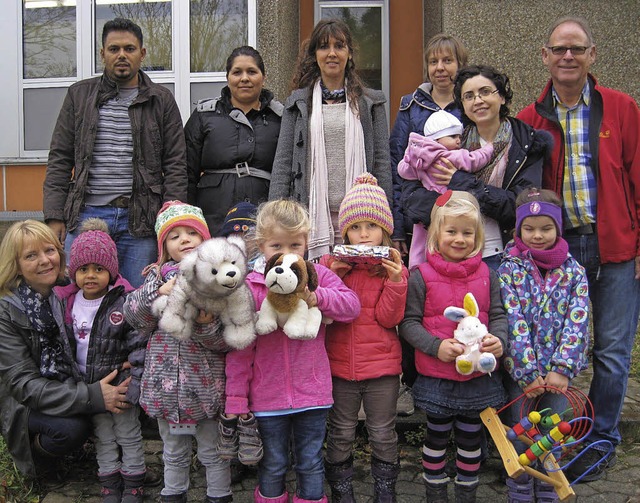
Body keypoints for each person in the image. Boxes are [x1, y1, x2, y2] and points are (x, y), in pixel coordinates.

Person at [516, 15, 640, 482]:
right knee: (549, 348)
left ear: (592, 56)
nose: (568, 56)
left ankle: (603, 437)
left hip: (616, 248)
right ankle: (545, 437)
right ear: (545, 57)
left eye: (577, 48)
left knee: (611, 351)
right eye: (559, 49)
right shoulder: (530, 120)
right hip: (557, 256)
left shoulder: (622, 109)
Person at [224, 199, 361, 503]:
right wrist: (236, 397)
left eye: (295, 245)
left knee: (310, 462)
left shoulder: (317, 277)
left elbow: (352, 306)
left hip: (312, 395)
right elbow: (240, 347)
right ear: (260, 244)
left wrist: (317, 297)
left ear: (307, 242)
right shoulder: (250, 286)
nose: (286, 253)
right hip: (267, 398)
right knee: (273, 464)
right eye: (276, 245)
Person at [43, 17, 188, 288]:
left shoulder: (161, 100)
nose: (122, 55)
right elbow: (60, 158)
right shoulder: (79, 96)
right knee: (79, 298)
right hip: (86, 215)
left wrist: (173, 221)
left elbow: (176, 162)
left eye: (129, 49)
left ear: (142, 53)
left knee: (137, 301)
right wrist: (54, 216)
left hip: (142, 220)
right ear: (103, 54)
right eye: (114, 49)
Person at [0, 220, 131, 485]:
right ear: (16, 264)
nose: (45, 261)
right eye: (31, 255)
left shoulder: (69, 291)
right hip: (24, 402)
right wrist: (92, 395)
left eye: (49, 250)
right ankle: (40, 463)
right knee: (71, 428)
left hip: (67, 383)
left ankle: (128, 464)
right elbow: (22, 384)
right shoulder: (7, 311)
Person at [399, 191, 507, 502]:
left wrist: (499, 341)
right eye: (451, 231)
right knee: (435, 437)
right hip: (437, 379)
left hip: (476, 379)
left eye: (467, 233)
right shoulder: (421, 277)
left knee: (471, 439)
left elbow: (498, 315)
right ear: (435, 234)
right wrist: (435, 346)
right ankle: (435, 492)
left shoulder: (489, 275)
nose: (459, 239)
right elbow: (408, 323)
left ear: (478, 237)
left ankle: (466, 494)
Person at [123, 201, 232, 503]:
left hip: (206, 390)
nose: (184, 239)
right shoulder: (156, 279)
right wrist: (156, 291)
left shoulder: (219, 282)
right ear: (163, 248)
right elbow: (134, 318)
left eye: (191, 233)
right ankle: (173, 495)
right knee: (172, 452)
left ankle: (220, 496)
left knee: (213, 452)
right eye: (175, 236)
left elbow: (226, 340)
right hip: (164, 389)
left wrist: (206, 325)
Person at [402, 64, 550, 271]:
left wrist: (462, 183)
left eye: (485, 92)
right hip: (449, 254)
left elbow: (522, 205)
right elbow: (411, 199)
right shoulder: (447, 142)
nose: (478, 100)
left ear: (502, 97)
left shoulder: (526, 143)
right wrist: (446, 208)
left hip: (501, 256)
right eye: (469, 96)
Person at [269, 18, 392, 260]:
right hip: (311, 216)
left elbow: (382, 164)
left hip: (361, 220)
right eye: (324, 46)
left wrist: (388, 220)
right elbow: (283, 163)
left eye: (339, 45)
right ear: (315, 54)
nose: (332, 53)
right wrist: (276, 219)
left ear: (349, 53)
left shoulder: (370, 103)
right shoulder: (298, 103)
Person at [320, 174, 408, 502]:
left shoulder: (393, 268)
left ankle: (385, 493)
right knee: (341, 432)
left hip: (382, 370)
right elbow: (327, 316)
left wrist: (396, 282)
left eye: (371, 226)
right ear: (344, 232)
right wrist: (334, 275)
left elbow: (389, 318)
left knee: (383, 433)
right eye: (355, 227)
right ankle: (343, 493)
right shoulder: (330, 266)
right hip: (340, 368)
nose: (363, 234)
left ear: (385, 230)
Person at [498, 188, 590, 500]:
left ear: (559, 228)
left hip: (557, 377)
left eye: (546, 228)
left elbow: (577, 323)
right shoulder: (508, 269)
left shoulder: (574, 272)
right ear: (518, 230)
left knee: (553, 434)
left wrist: (562, 369)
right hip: (521, 376)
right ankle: (521, 490)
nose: (538, 236)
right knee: (521, 435)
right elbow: (512, 320)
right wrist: (525, 371)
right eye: (530, 228)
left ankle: (550, 489)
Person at [54, 218, 147, 502]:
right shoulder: (67, 302)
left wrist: (135, 375)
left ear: (112, 270)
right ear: (73, 271)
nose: (90, 275)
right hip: (90, 387)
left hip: (121, 384)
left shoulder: (123, 301)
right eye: (83, 269)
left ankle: (134, 482)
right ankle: (108, 482)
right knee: (103, 437)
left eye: (99, 269)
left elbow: (139, 340)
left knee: (128, 433)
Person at [185, 46, 282, 235]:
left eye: (252, 72)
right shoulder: (204, 115)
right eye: (237, 72)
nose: (244, 78)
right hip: (212, 219)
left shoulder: (281, 118)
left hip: (265, 221)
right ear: (228, 77)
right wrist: (188, 220)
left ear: (263, 77)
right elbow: (186, 171)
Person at [390, 34, 469, 256]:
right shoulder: (410, 106)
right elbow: (397, 167)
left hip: (461, 214)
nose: (440, 68)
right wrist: (397, 228)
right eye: (434, 62)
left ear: (460, 65)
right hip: (418, 216)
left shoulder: (469, 105)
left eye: (447, 61)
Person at [398, 110, 494, 269]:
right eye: (452, 136)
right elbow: (474, 160)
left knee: (420, 240)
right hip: (448, 207)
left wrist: (410, 158)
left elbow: (403, 171)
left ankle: (416, 267)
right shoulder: (449, 156)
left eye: (459, 137)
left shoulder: (420, 158)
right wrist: (489, 148)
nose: (458, 141)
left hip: (425, 211)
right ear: (437, 139)